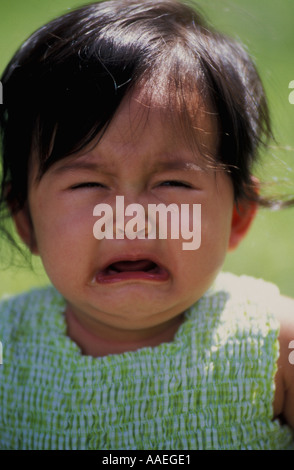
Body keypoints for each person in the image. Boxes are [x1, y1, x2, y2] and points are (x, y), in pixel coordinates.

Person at [0, 0, 293, 450]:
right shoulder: (7, 351)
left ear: (237, 214)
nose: (131, 218)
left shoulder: (277, 347)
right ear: (26, 220)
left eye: (173, 181)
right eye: (88, 184)